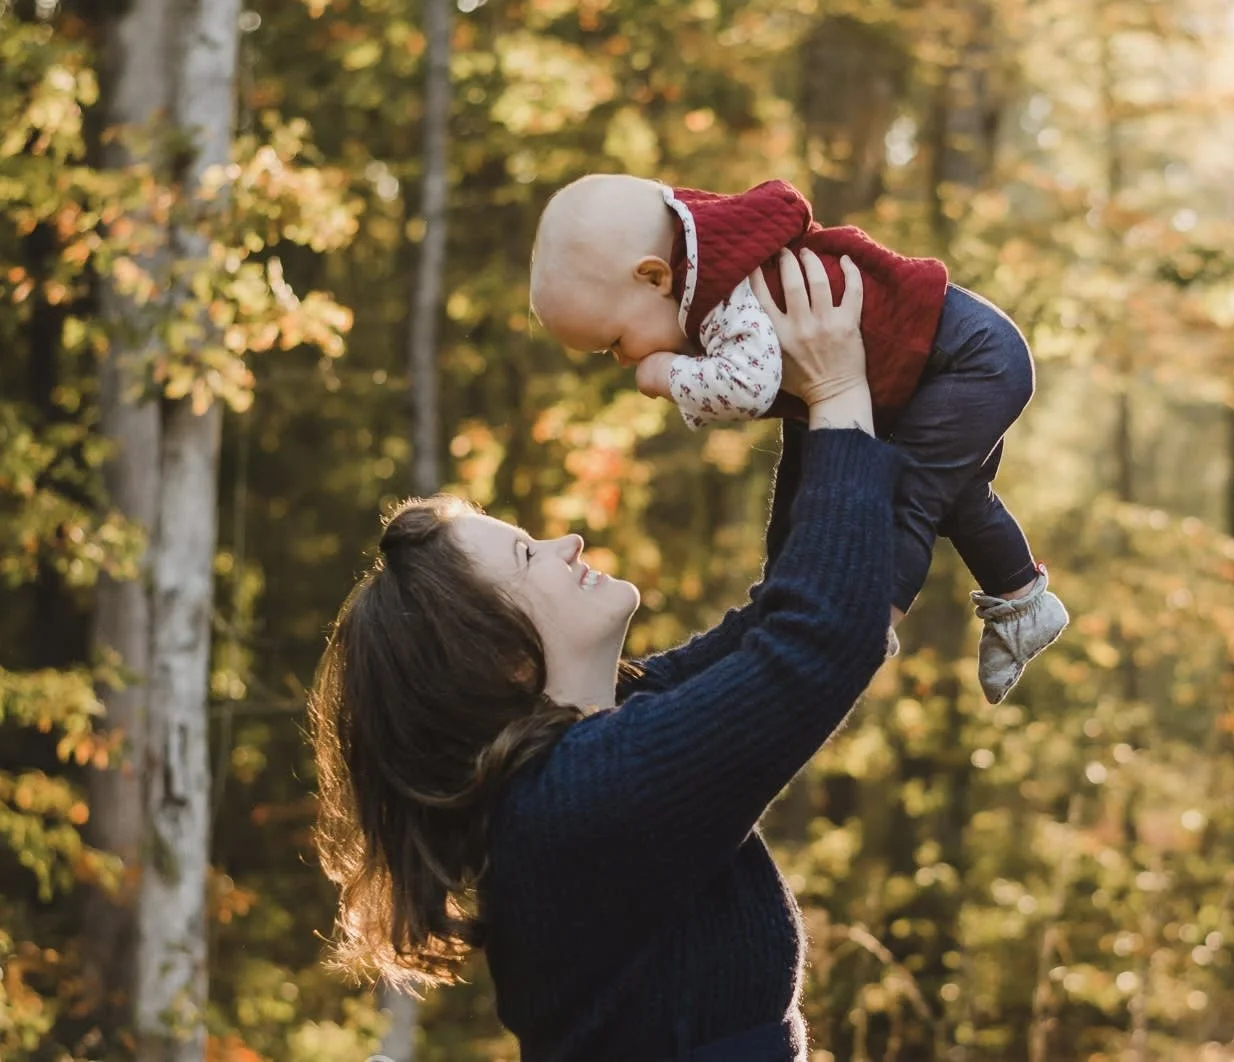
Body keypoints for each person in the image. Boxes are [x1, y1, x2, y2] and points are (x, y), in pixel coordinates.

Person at [310, 251, 904, 1060]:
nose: (569, 541)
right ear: (499, 661)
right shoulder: (581, 794)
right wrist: (835, 396)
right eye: (527, 558)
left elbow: (791, 615)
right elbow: (817, 643)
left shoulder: (593, 743)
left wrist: (814, 407)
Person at [528, 173, 1068, 704]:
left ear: (653, 277)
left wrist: (668, 373)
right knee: (833, 492)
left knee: (908, 493)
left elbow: (748, 386)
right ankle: (1022, 600)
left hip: (966, 360)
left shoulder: (723, 289)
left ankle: (861, 624)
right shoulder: (704, 268)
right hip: (921, 370)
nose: (625, 360)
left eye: (616, 342)